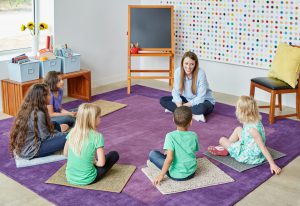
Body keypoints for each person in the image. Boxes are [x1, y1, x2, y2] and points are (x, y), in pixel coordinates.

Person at [208, 96, 281, 175]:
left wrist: (272, 164)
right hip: (249, 145)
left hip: (248, 156)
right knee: (238, 129)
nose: (236, 109)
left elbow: (262, 147)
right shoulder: (254, 120)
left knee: (222, 140)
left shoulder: (252, 129)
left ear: (243, 112)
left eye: (237, 108)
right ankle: (228, 148)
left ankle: (226, 149)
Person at [64, 103, 119, 185]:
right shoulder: (97, 136)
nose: (100, 119)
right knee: (114, 155)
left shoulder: (72, 132)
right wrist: (94, 162)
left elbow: (65, 154)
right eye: (99, 117)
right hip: (88, 179)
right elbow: (101, 163)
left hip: (70, 177)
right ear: (93, 119)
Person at [9, 83, 67, 159]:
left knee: (55, 124)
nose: (51, 96)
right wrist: (62, 134)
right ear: (42, 98)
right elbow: (46, 137)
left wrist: (58, 131)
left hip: (27, 146)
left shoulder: (29, 108)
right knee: (70, 136)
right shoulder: (39, 114)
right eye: (49, 95)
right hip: (31, 150)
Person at [149, 106, 199, 185]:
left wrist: (161, 175)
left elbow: (170, 159)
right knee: (168, 152)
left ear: (173, 120)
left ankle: (167, 154)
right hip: (192, 172)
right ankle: (169, 152)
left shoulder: (170, 136)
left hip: (176, 175)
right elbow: (192, 150)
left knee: (153, 154)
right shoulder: (194, 135)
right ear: (191, 122)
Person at [160, 51, 215, 122]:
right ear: (182, 63)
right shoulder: (178, 71)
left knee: (201, 108)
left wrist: (182, 106)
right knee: (163, 100)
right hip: (186, 100)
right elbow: (175, 92)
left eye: (192, 64)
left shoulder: (201, 73)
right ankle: (193, 114)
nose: (188, 67)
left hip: (204, 101)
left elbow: (201, 98)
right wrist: (179, 105)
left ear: (195, 64)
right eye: (186, 63)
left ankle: (178, 111)